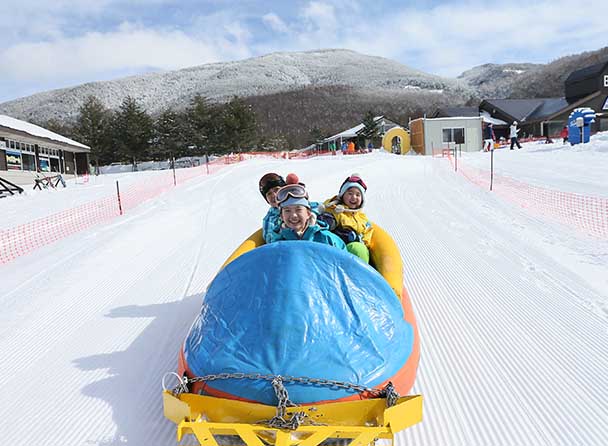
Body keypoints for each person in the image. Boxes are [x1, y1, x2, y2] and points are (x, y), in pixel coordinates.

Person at [273, 178, 346, 249]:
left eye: (298, 210)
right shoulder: (277, 243)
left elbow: (344, 259)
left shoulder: (326, 239)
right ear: (282, 216)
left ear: (308, 213)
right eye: (287, 211)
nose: (293, 215)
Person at [317, 174, 373, 263]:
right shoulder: (337, 211)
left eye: (358, 195)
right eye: (350, 193)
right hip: (339, 249)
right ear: (342, 195)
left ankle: (359, 274)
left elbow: (367, 233)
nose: (353, 197)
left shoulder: (363, 218)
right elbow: (329, 221)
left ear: (362, 199)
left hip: (355, 251)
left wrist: (361, 240)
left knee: (359, 248)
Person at [259, 172, 286, 243]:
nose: (273, 195)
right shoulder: (269, 219)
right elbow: (271, 243)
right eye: (269, 194)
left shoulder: (299, 204)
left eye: (276, 190)